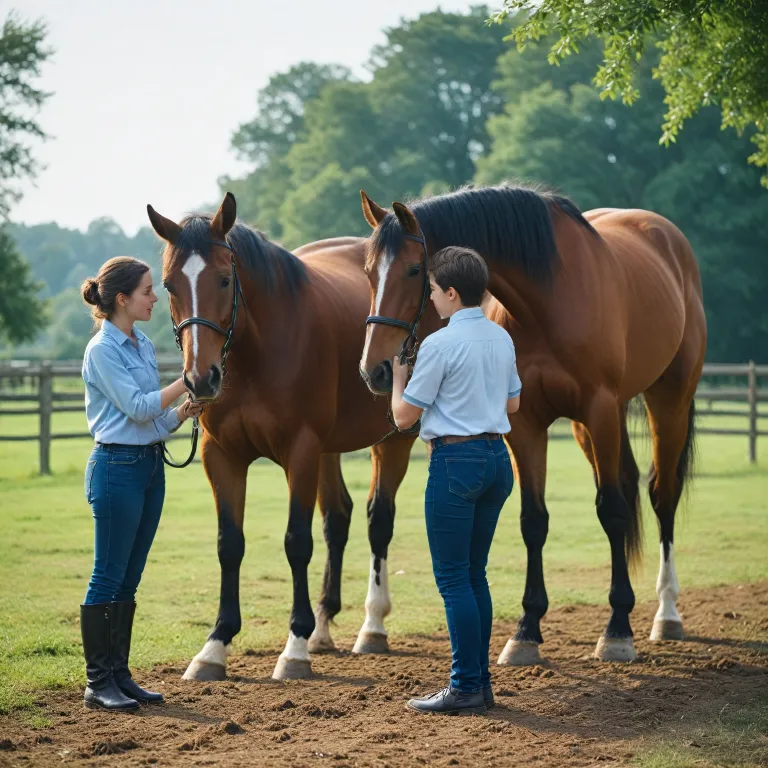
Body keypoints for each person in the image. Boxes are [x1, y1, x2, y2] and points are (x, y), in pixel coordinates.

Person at [391, 246, 521, 716]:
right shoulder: (502, 338)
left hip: (455, 462)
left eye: (431, 291)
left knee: (452, 579)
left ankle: (465, 684)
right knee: (473, 574)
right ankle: (479, 683)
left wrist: (398, 378)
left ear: (450, 291)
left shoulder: (439, 344)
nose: (430, 300)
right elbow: (513, 407)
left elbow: (404, 417)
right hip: (496, 458)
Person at [79, 256, 203, 712]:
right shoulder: (102, 350)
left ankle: (120, 676)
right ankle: (98, 683)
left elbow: (153, 418)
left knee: (128, 579)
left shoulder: (143, 343)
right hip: (116, 470)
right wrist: (185, 380)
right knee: (107, 576)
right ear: (122, 299)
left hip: (149, 468)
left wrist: (181, 413)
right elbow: (135, 406)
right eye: (149, 291)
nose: (155, 298)